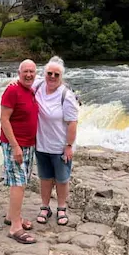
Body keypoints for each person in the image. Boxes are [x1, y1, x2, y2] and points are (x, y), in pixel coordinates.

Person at [33, 56, 79, 226]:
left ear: (62, 77)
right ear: (44, 74)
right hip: (41, 144)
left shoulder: (66, 96)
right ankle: (45, 207)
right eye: (49, 73)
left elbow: (73, 123)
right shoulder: (38, 86)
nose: (52, 77)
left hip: (60, 146)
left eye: (56, 74)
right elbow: (22, 78)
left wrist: (68, 146)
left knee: (61, 179)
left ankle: (61, 208)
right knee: (44, 178)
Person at [0, 59, 39, 244]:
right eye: (26, 71)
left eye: (32, 71)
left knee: (21, 182)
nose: (29, 74)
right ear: (19, 72)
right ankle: (15, 227)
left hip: (29, 145)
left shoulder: (30, 90)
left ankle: (12, 215)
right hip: (15, 145)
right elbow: (4, 119)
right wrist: (15, 146)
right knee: (19, 183)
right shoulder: (12, 90)